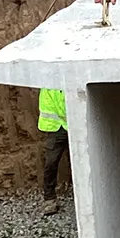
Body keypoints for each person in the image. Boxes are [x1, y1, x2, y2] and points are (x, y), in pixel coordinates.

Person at [37, 88, 68, 216]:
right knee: (51, 162)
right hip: (56, 128)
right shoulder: (47, 80)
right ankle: (49, 198)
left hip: (74, 123)